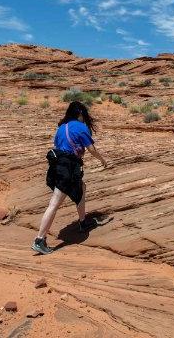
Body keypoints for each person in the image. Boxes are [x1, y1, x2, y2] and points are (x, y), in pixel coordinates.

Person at [32, 100, 108, 255]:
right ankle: (39, 240)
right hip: (68, 168)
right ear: (80, 113)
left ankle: (83, 222)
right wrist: (102, 160)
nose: (83, 117)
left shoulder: (61, 128)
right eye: (83, 114)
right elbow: (91, 149)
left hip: (58, 166)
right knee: (54, 203)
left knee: (81, 188)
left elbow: (59, 145)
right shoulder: (81, 127)